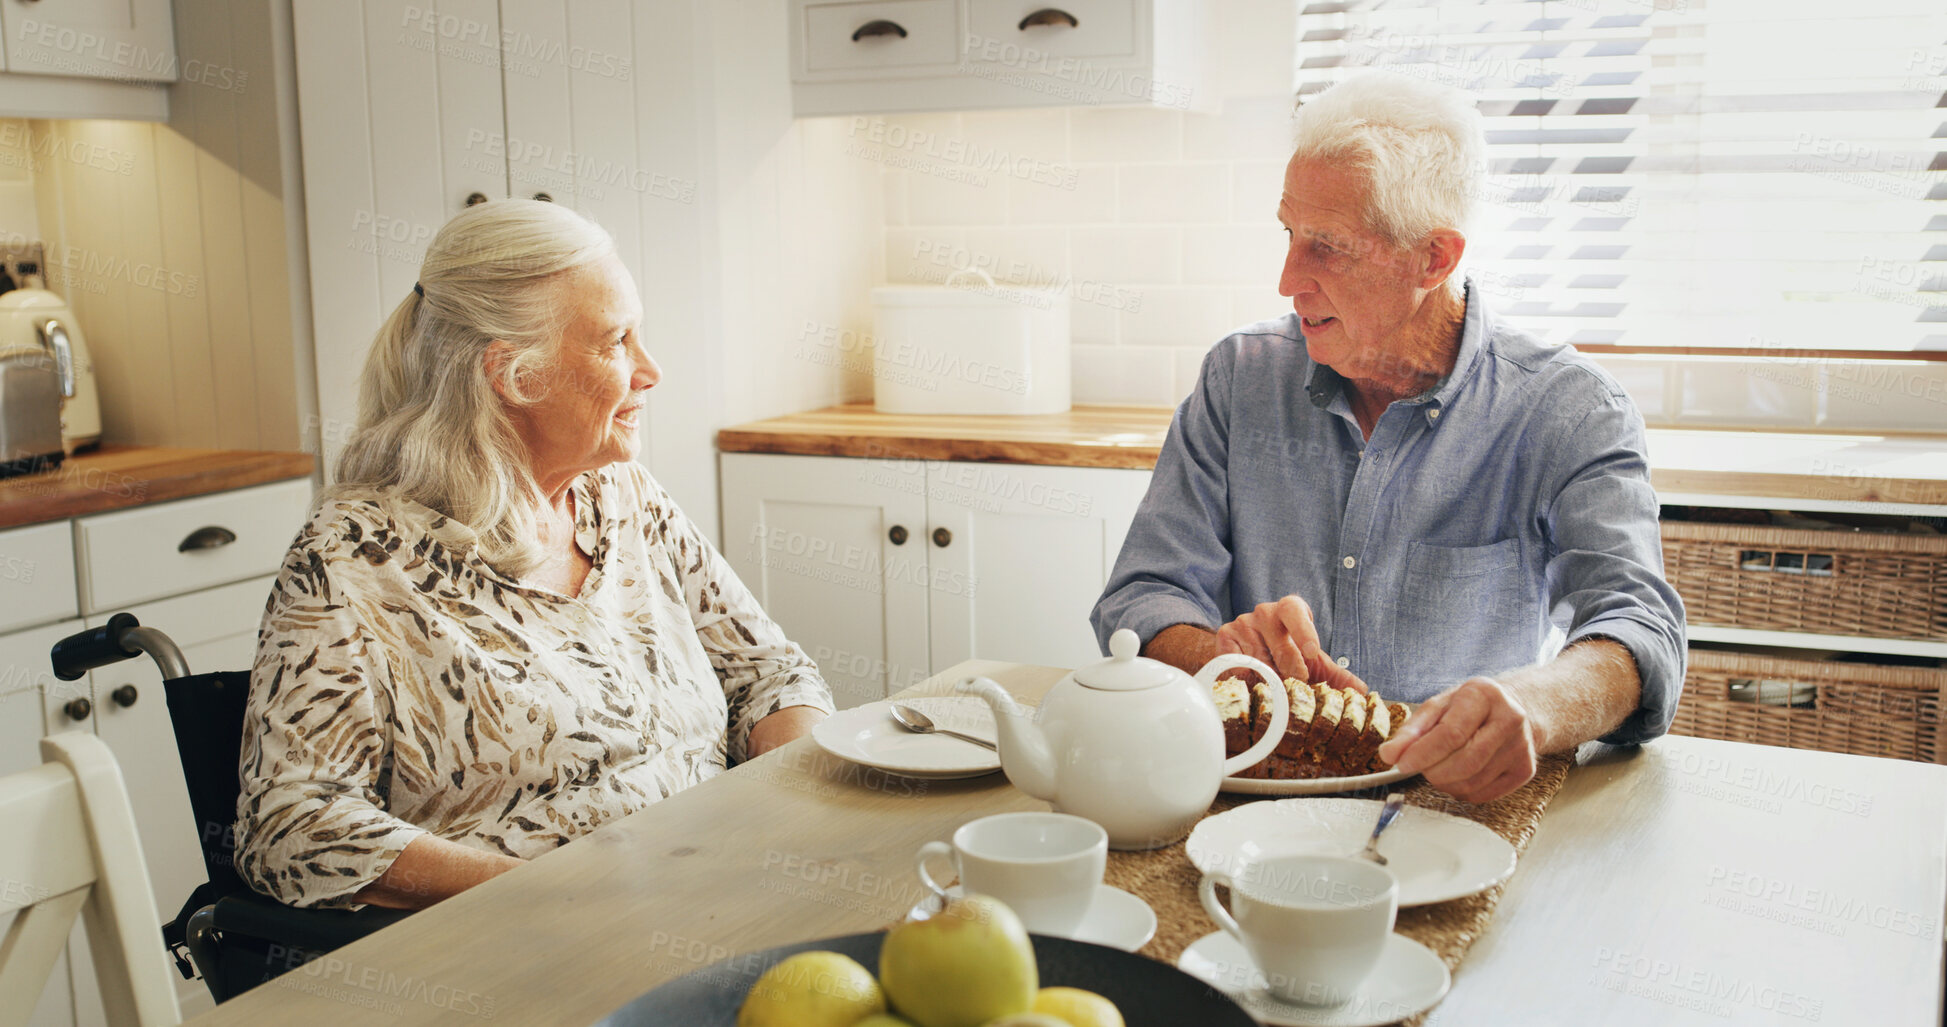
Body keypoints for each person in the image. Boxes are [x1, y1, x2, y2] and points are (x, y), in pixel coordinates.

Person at [1091, 71, 1685, 803]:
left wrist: (1533, 705)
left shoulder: (1567, 409)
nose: (1285, 278)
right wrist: (1221, 655)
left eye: (1326, 247)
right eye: (1288, 234)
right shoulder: (1238, 377)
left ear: (1433, 258)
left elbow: (1639, 626)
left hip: (1449, 808)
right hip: (1249, 797)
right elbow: (1141, 596)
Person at [237, 200, 834, 910]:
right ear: (516, 375)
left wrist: (790, 806)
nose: (651, 370)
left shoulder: (622, 494)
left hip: (717, 892)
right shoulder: (352, 561)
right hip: (528, 951)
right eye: (616, 342)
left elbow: (767, 672)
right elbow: (293, 828)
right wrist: (556, 897)